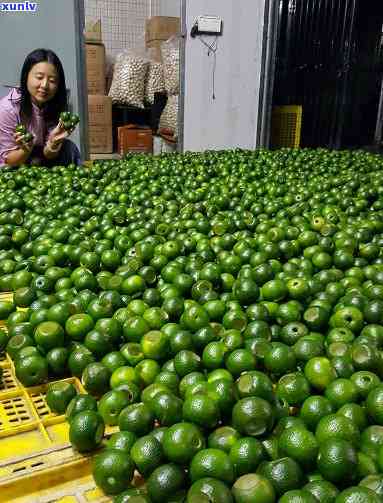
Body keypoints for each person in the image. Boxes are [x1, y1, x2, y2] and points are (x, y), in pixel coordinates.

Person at [0, 48, 81, 167]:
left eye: (52, 80)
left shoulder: (54, 103)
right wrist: (25, 150)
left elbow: (48, 154)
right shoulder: (8, 109)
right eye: (39, 77)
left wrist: (53, 142)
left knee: (69, 148)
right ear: (26, 76)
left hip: (38, 156)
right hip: (14, 160)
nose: (45, 85)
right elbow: (8, 161)